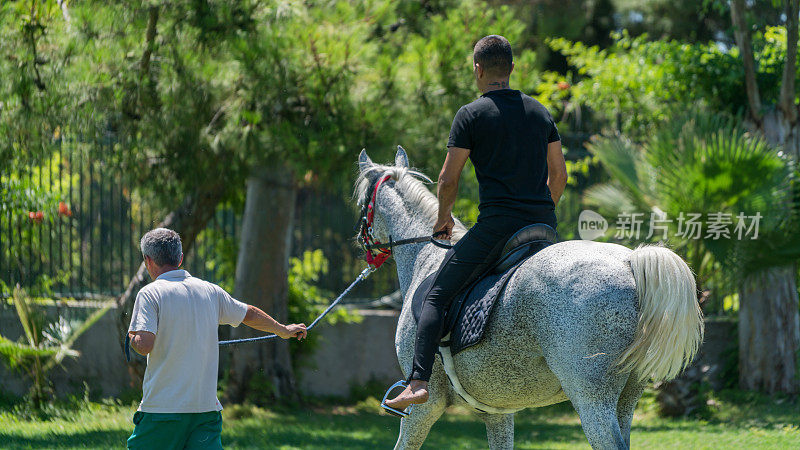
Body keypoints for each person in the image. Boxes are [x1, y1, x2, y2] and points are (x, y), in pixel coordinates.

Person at [384, 35, 568, 412]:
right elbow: (559, 175)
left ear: (478, 70)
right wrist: (540, 211)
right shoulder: (539, 112)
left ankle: (417, 382)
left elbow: (447, 180)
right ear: (512, 69)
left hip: (498, 230)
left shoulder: (471, 114)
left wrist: (442, 221)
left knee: (436, 293)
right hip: (544, 229)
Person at [126, 228, 307, 449]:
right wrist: (282, 329)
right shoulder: (210, 291)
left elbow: (144, 345)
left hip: (163, 411)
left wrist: (133, 336)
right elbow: (248, 313)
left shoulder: (149, 293)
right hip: (205, 412)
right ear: (180, 258)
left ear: (148, 260)